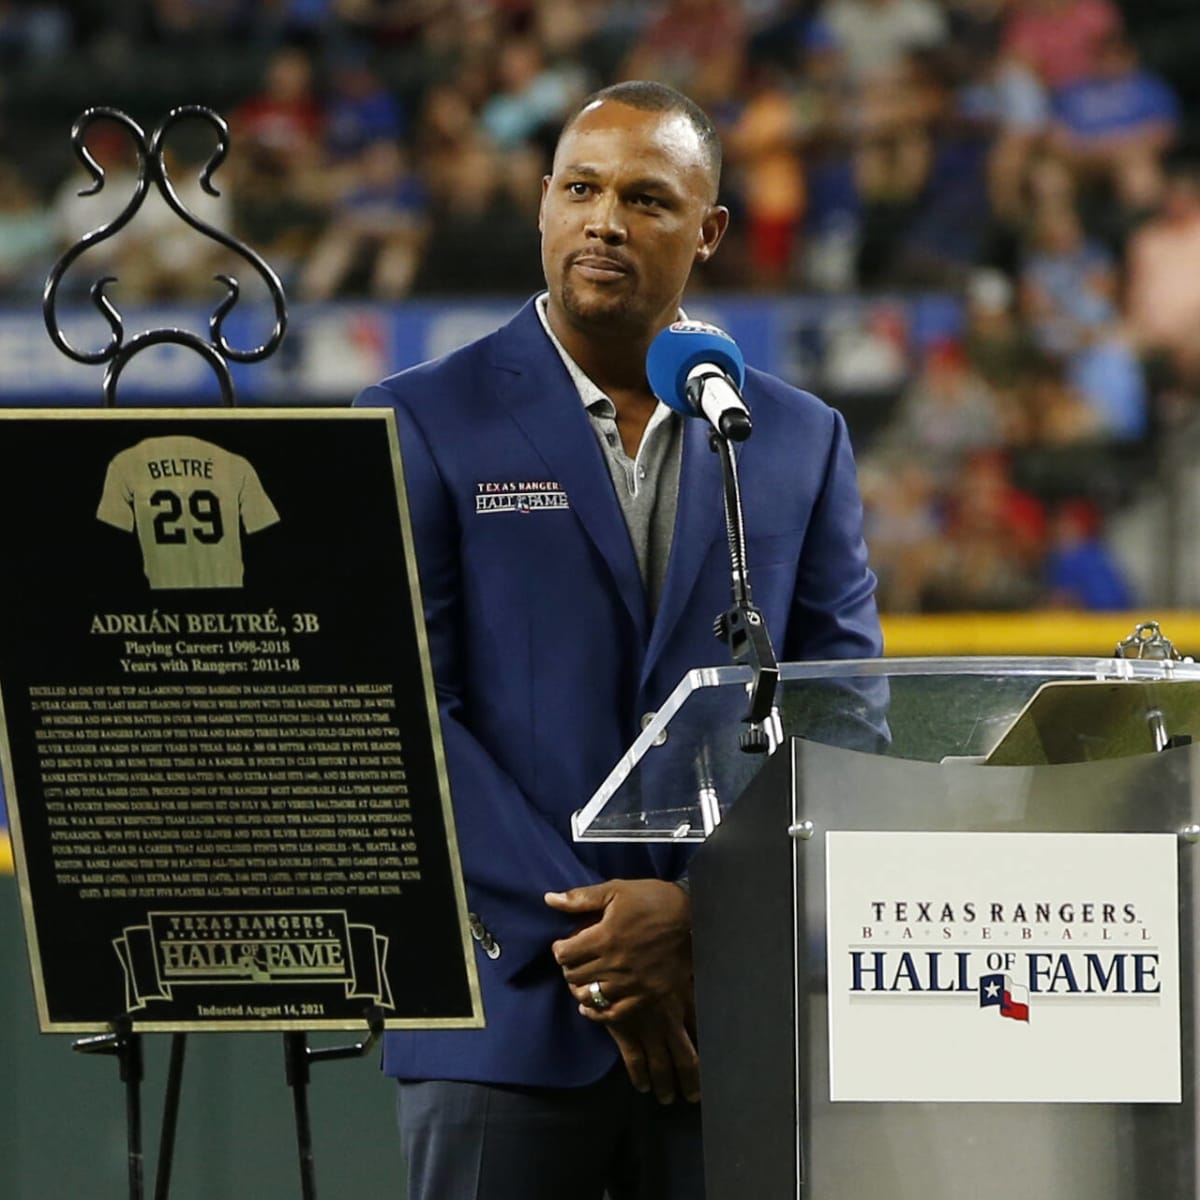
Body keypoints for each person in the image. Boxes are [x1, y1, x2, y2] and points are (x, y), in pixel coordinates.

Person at [355, 80, 882, 1200]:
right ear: (543, 202)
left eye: (646, 198)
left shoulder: (795, 438)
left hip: (727, 1007)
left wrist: (701, 916)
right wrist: (605, 944)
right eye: (580, 188)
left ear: (709, 230)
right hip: (505, 1011)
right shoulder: (418, 417)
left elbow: (846, 713)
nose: (602, 219)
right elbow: (401, 714)